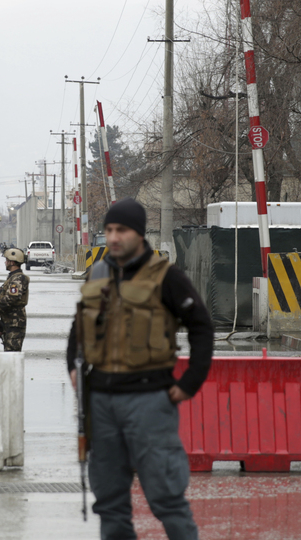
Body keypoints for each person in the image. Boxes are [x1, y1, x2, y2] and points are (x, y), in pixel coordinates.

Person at [67, 198, 213, 539]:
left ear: (139, 233)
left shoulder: (166, 277)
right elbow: (79, 327)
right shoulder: (98, 273)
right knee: (110, 502)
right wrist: (71, 367)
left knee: (166, 497)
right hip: (101, 402)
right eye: (109, 230)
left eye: (122, 230)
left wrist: (189, 382)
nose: (113, 237)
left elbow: (201, 327)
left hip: (149, 401)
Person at [0, 248, 29, 351]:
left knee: (12, 354)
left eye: (7, 260)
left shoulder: (17, 278)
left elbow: (12, 297)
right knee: (9, 351)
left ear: (12, 262)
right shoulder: (13, 277)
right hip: (10, 321)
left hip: (15, 322)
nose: (5, 262)